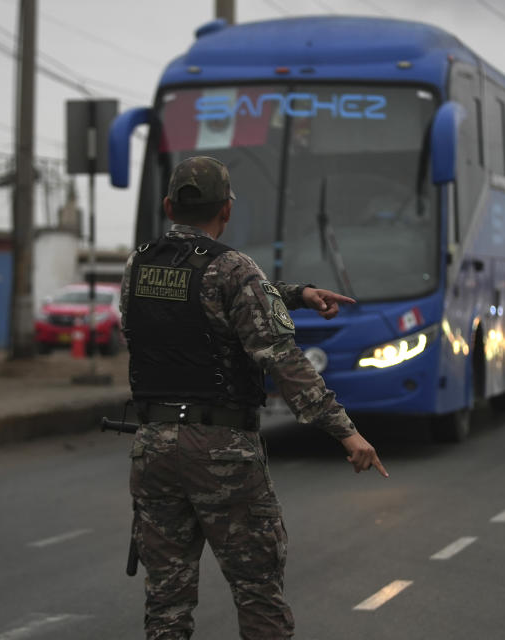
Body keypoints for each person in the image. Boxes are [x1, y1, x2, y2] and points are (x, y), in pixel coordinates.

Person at [120, 155, 387, 639]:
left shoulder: (138, 264)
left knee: (166, 600)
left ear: (168, 206)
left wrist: (295, 292)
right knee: (258, 590)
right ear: (227, 210)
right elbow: (283, 361)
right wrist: (347, 433)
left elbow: (201, 302)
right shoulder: (233, 268)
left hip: (153, 445)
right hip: (221, 450)